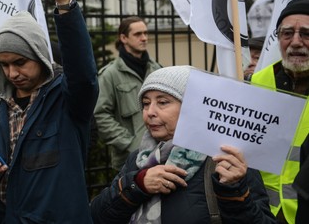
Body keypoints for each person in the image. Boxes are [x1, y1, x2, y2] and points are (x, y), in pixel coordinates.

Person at [0, 0, 99, 223]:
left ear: (39, 56)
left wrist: (65, 6)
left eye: (20, 62)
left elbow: (83, 75)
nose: (13, 73)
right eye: (3, 64)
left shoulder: (66, 100)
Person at [90, 65, 276, 223]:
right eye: (146, 104)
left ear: (192, 107)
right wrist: (137, 185)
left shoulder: (225, 159)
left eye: (162, 102)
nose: (150, 112)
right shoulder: (139, 159)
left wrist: (234, 191)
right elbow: (96, 217)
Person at [250, 0, 309, 223]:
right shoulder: (256, 84)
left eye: (306, 33)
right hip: (259, 213)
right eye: (287, 34)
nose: (295, 42)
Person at [94, 16, 161, 170]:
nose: (144, 38)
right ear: (123, 38)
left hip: (159, 154)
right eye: (138, 34)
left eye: (145, 33)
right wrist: (131, 143)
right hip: (129, 161)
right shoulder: (110, 74)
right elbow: (100, 115)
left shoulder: (157, 69)